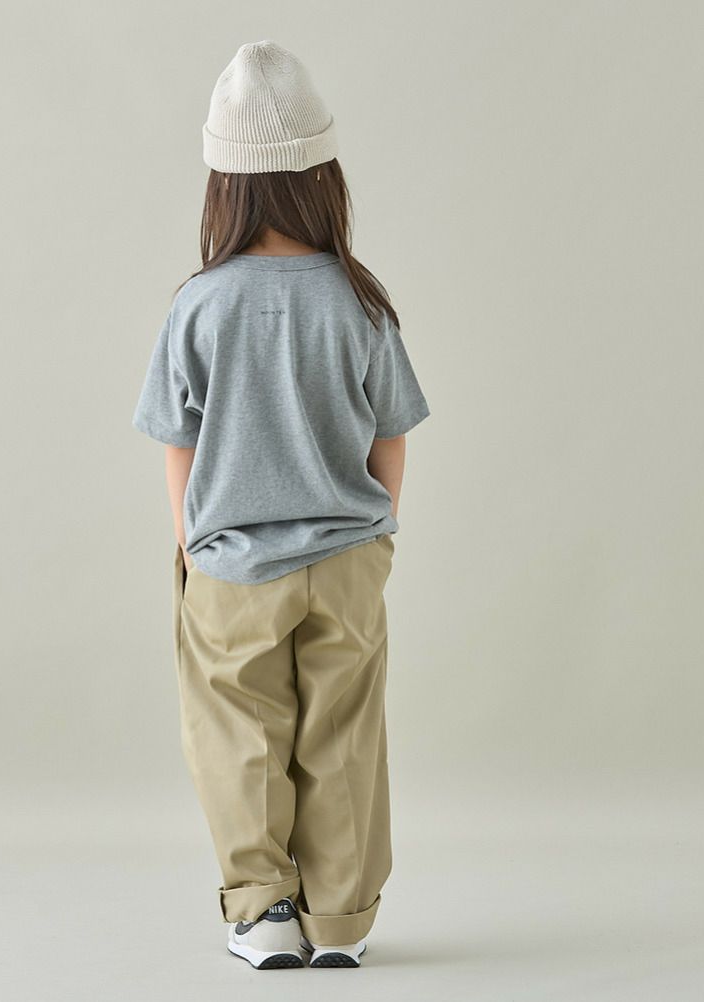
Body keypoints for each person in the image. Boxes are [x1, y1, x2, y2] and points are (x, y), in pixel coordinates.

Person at [131, 39, 431, 971]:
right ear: (323, 177)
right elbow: (391, 438)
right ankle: (342, 919)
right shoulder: (360, 301)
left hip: (233, 562)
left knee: (241, 736)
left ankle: (264, 913)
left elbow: (177, 441)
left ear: (222, 185)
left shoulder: (199, 305)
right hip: (347, 558)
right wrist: (372, 530)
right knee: (344, 733)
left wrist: (192, 542)